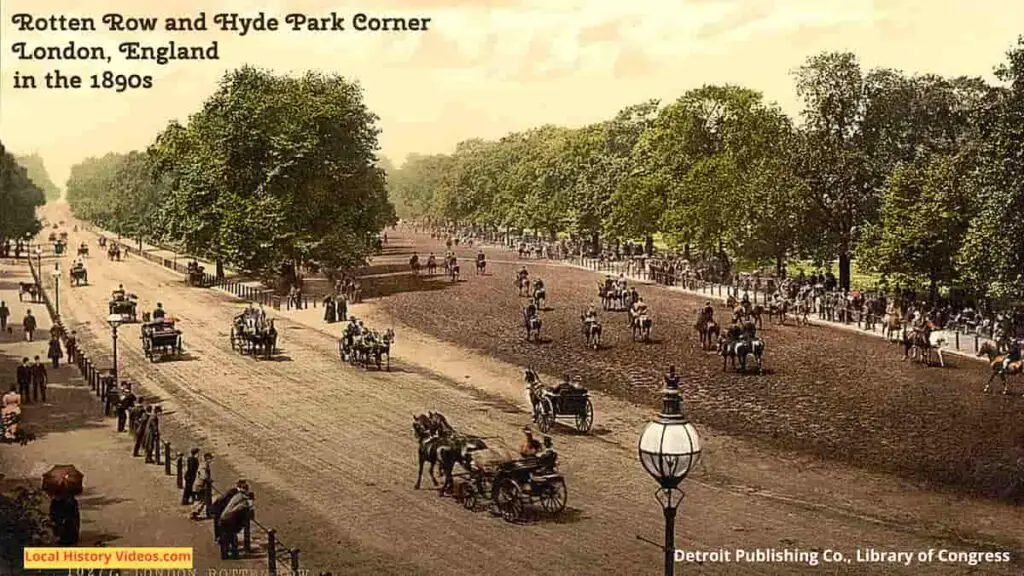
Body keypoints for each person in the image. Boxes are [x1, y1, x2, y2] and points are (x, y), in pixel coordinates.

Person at [190, 453, 215, 519]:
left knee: (203, 500)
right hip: (200, 486)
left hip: (201, 486)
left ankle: (198, 513)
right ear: (207, 459)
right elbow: (204, 476)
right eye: (210, 459)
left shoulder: (204, 465)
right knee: (202, 500)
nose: (211, 460)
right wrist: (209, 480)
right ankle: (194, 512)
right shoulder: (203, 466)